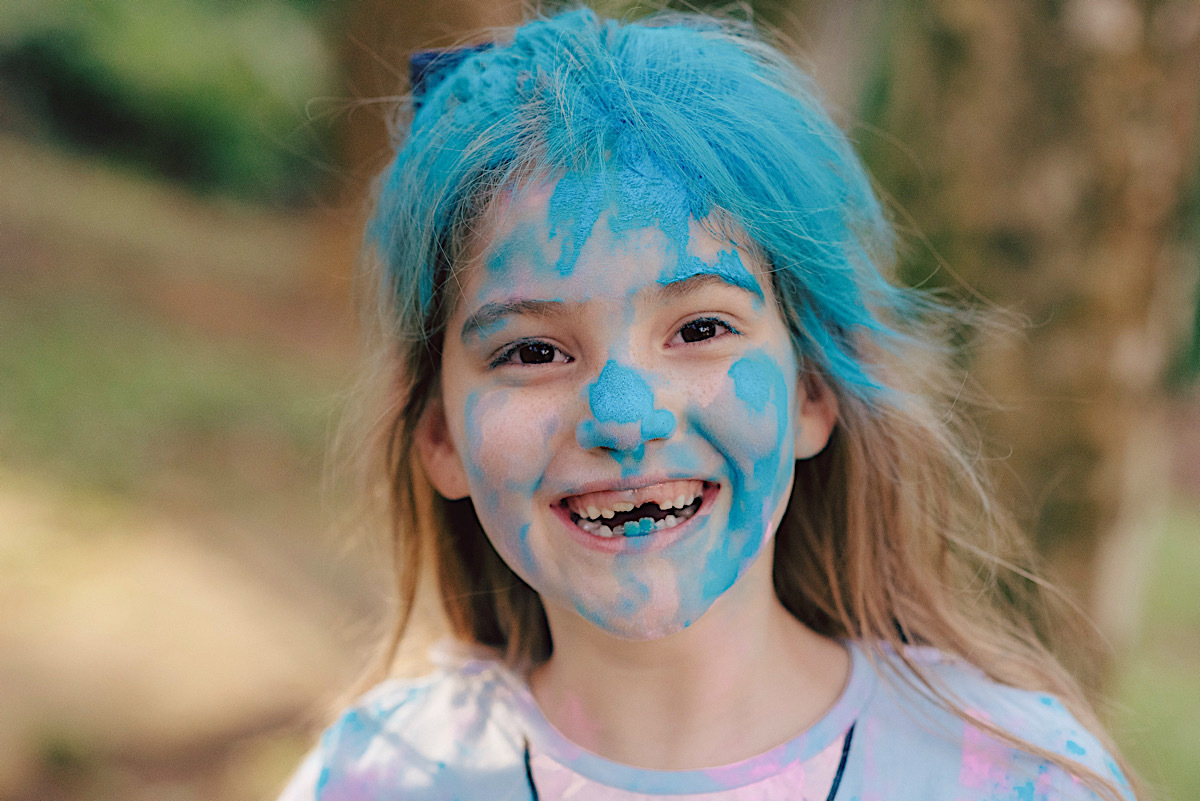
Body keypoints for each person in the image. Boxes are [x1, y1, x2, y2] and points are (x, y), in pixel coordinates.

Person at [279, 8, 1137, 800]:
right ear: (438, 436)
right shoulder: (376, 778)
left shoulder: (1017, 779)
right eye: (532, 350)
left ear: (811, 389)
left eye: (699, 329)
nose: (622, 414)